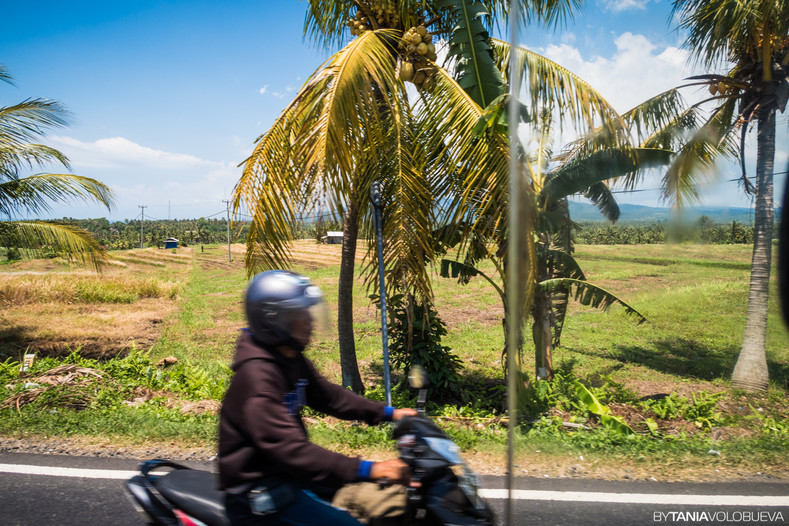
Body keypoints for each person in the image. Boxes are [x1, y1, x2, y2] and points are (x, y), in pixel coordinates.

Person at [218, 270, 416, 525]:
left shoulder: (288, 357)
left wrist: (389, 413)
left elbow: (329, 397)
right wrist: (368, 469)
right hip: (260, 499)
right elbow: (291, 450)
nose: (310, 321)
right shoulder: (257, 380)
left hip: (289, 479)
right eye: (300, 314)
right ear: (273, 319)